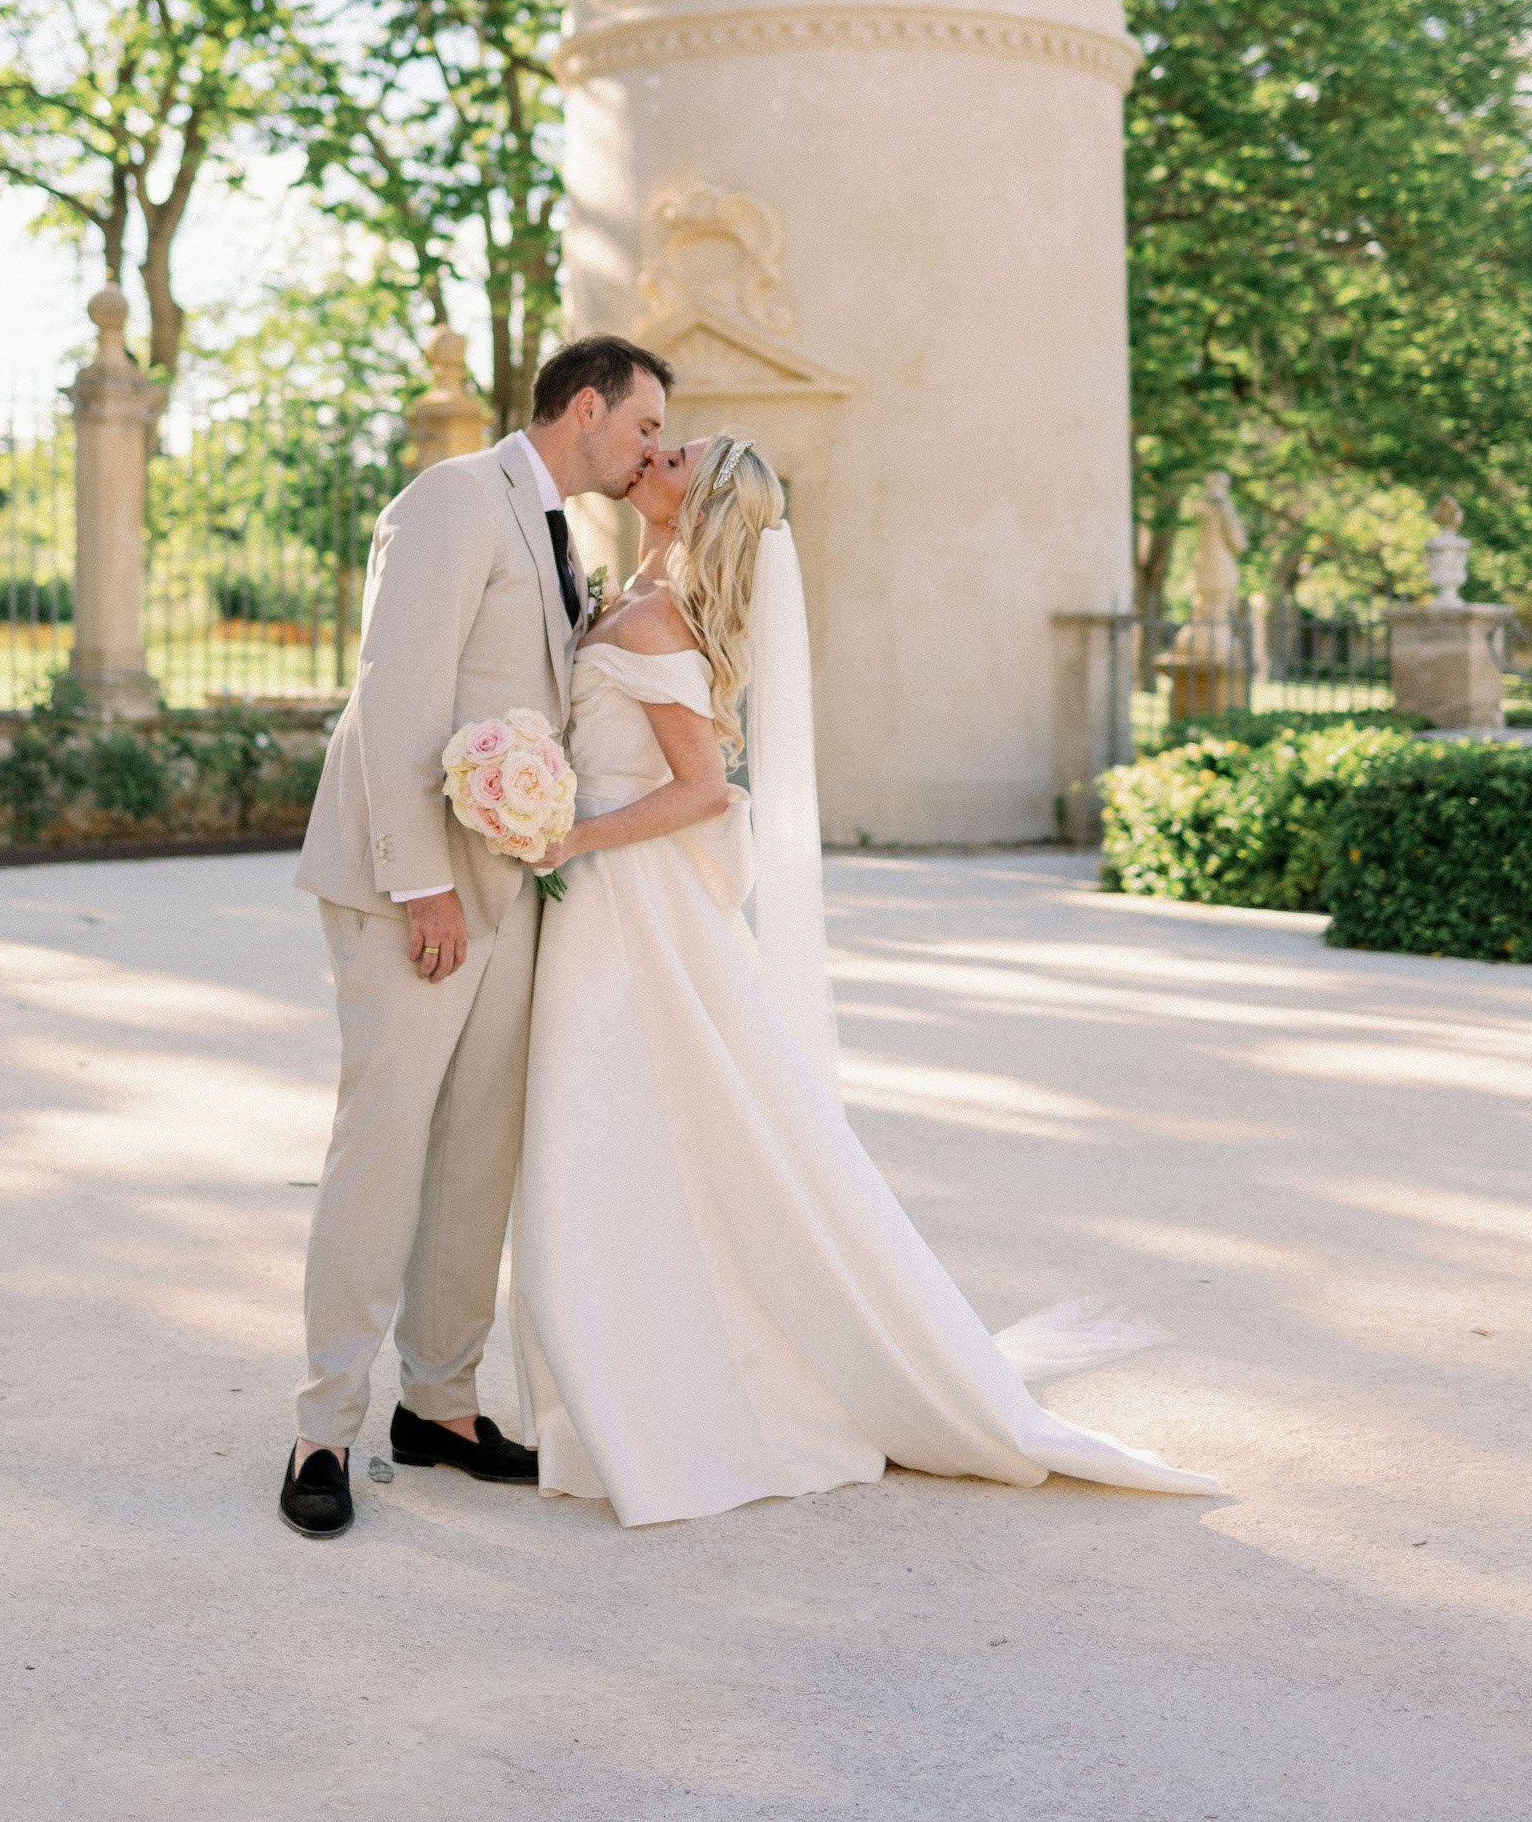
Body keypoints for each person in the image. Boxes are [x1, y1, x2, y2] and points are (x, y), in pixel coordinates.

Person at [513, 434, 1218, 1528]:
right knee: (623, 1133)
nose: (652, 452)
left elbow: (705, 790)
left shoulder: (654, 619)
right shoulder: (628, 595)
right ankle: (622, 1371)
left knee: (623, 1130)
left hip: (625, 905)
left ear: (691, 505)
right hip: (610, 902)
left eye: (675, 456)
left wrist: (573, 837)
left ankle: (666, 1389)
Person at [276, 333, 672, 1538]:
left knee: (478, 1151)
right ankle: (321, 1427)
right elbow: (395, 694)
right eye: (644, 426)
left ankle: (437, 1405)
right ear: (587, 406)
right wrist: (418, 887)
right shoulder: (451, 499)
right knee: (382, 1148)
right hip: (419, 890)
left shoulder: (555, 528)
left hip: (508, 884)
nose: (652, 449)